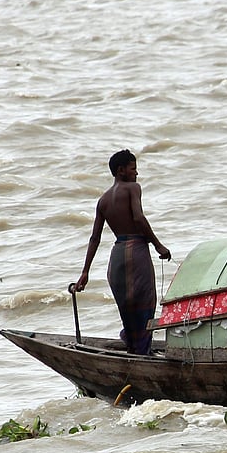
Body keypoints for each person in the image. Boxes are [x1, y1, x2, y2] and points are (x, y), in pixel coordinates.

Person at [73, 150, 172, 355]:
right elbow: (138, 218)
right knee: (146, 303)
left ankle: (132, 346)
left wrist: (85, 272)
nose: (136, 173)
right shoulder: (133, 188)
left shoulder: (103, 200)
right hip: (135, 251)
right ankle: (141, 352)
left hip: (117, 258)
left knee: (127, 308)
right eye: (133, 168)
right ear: (121, 171)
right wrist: (157, 245)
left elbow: (95, 238)